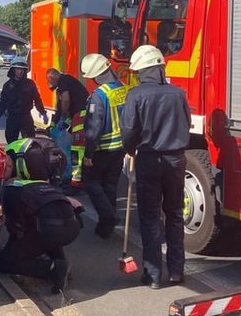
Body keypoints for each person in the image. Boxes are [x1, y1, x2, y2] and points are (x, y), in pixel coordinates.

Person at [120, 45, 190, 289]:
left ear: (141, 71)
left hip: (149, 159)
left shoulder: (136, 95)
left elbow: (129, 130)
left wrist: (130, 151)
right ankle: (177, 271)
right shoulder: (178, 93)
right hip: (177, 159)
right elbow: (187, 123)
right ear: (161, 68)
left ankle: (152, 276)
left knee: (150, 217)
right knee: (174, 214)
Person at [0, 137, 83, 293]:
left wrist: (10, 250)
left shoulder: (9, 190)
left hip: (51, 228)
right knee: (44, 227)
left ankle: (53, 268)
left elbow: (16, 228)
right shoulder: (38, 182)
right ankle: (61, 262)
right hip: (73, 224)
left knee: (3, 262)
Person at [79, 53, 128, 239]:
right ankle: (106, 228)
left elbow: (93, 127)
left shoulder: (99, 95)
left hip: (103, 148)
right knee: (110, 184)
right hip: (121, 147)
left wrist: (89, 154)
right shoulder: (122, 88)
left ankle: (109, 215)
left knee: (90, 181)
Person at [45, 68, 89, 190]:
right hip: (80, 115)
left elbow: (66, 100)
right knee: (74, 148)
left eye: (55, 89)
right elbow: (60, 107)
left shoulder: (63, 81)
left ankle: (77, 183)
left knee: (77, 150)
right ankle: (73, 179)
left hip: (81, 116)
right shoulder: (69, 82)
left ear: (51, 78)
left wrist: (63, 118)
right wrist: (54, 122)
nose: (57, 93)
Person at [0, 57, 48, 143]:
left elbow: (37, 99)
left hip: (26, 117)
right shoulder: (7, 85)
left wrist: (43, 113)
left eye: (22, 69)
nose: (20, 71)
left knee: (29, 143)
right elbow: (3, 103)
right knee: (11, 143)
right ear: (13, 70)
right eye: (18, 69)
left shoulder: (30, 84)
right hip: (12, 118)